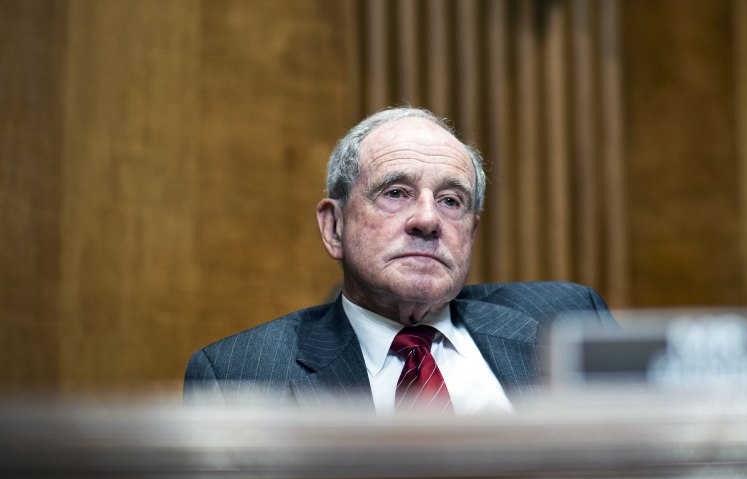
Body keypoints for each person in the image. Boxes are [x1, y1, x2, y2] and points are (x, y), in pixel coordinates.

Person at [184, 107, 614, 414]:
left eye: (451, 201)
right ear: (334, 226)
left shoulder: (568, 318)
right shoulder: (239, 375)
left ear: (471, 233)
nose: (428, 219)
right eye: (395, 193)